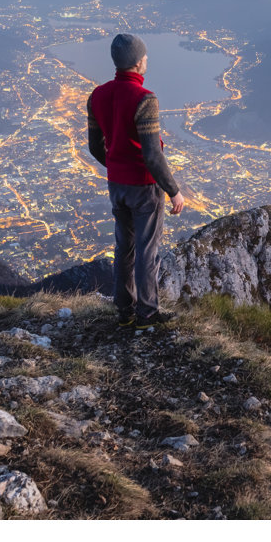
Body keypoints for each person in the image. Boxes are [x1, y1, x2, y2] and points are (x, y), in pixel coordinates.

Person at [87, 34, 185, 328]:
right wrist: (174, 192)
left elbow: (95, 147)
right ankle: (147, 313)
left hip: (116, 186)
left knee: (124, 248)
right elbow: (153, 156)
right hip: (144, 188)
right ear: (139, 62)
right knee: (146, 250)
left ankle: (124, 311)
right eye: (146, 58)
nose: (147, 62)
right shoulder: (145, 99)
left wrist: (117, 167)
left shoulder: (97, 96)